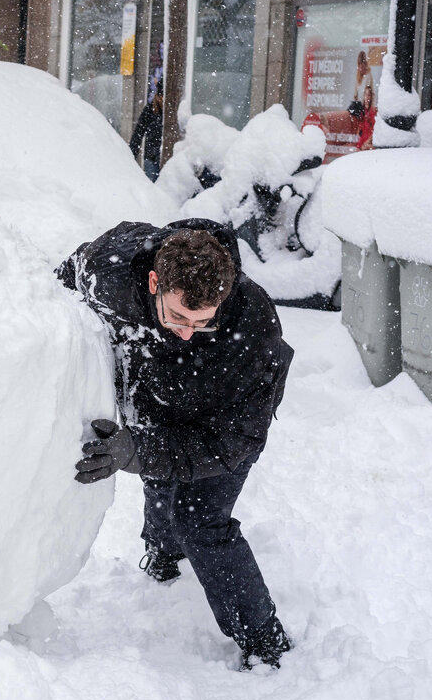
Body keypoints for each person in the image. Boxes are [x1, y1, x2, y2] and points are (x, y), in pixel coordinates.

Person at [57, 220, 294, 670]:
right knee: (160, 478)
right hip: (158, 396)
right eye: (178, 317)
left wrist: (138, 451)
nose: (187, 332)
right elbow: (57, 288)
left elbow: (230, 443)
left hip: (221, 421)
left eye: (202, 322)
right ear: (153, 282)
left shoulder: (252, 329)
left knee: (201, 520)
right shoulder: (112, 268)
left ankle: (264, 639)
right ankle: (163, 553)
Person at [129, 87, 163, 182]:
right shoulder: (149, 110)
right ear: (157, 96)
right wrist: (131, 154)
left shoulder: (170, 112)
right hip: (151, 157)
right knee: (152, 185)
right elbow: (138, 133)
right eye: (161, 96)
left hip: (165, 157)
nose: (162, 99)